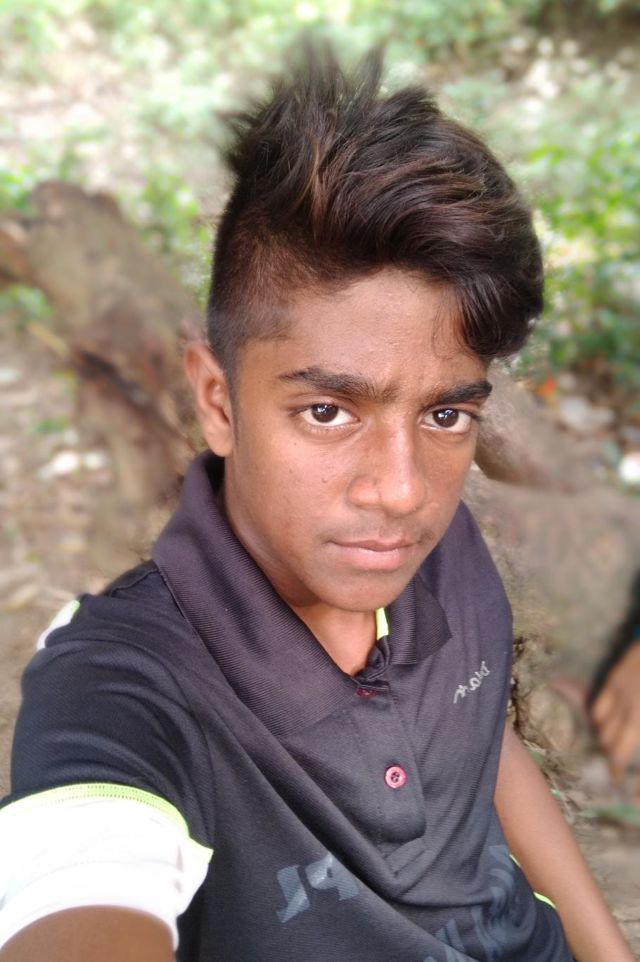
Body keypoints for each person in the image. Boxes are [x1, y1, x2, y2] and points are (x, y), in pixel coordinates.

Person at [0, 48, 633, 962]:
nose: (402, 491)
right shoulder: (122, 677)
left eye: (445, 414)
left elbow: (476, 735)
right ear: (218, 401)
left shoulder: (440, 546)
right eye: (328, 411)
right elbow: (82, 877)